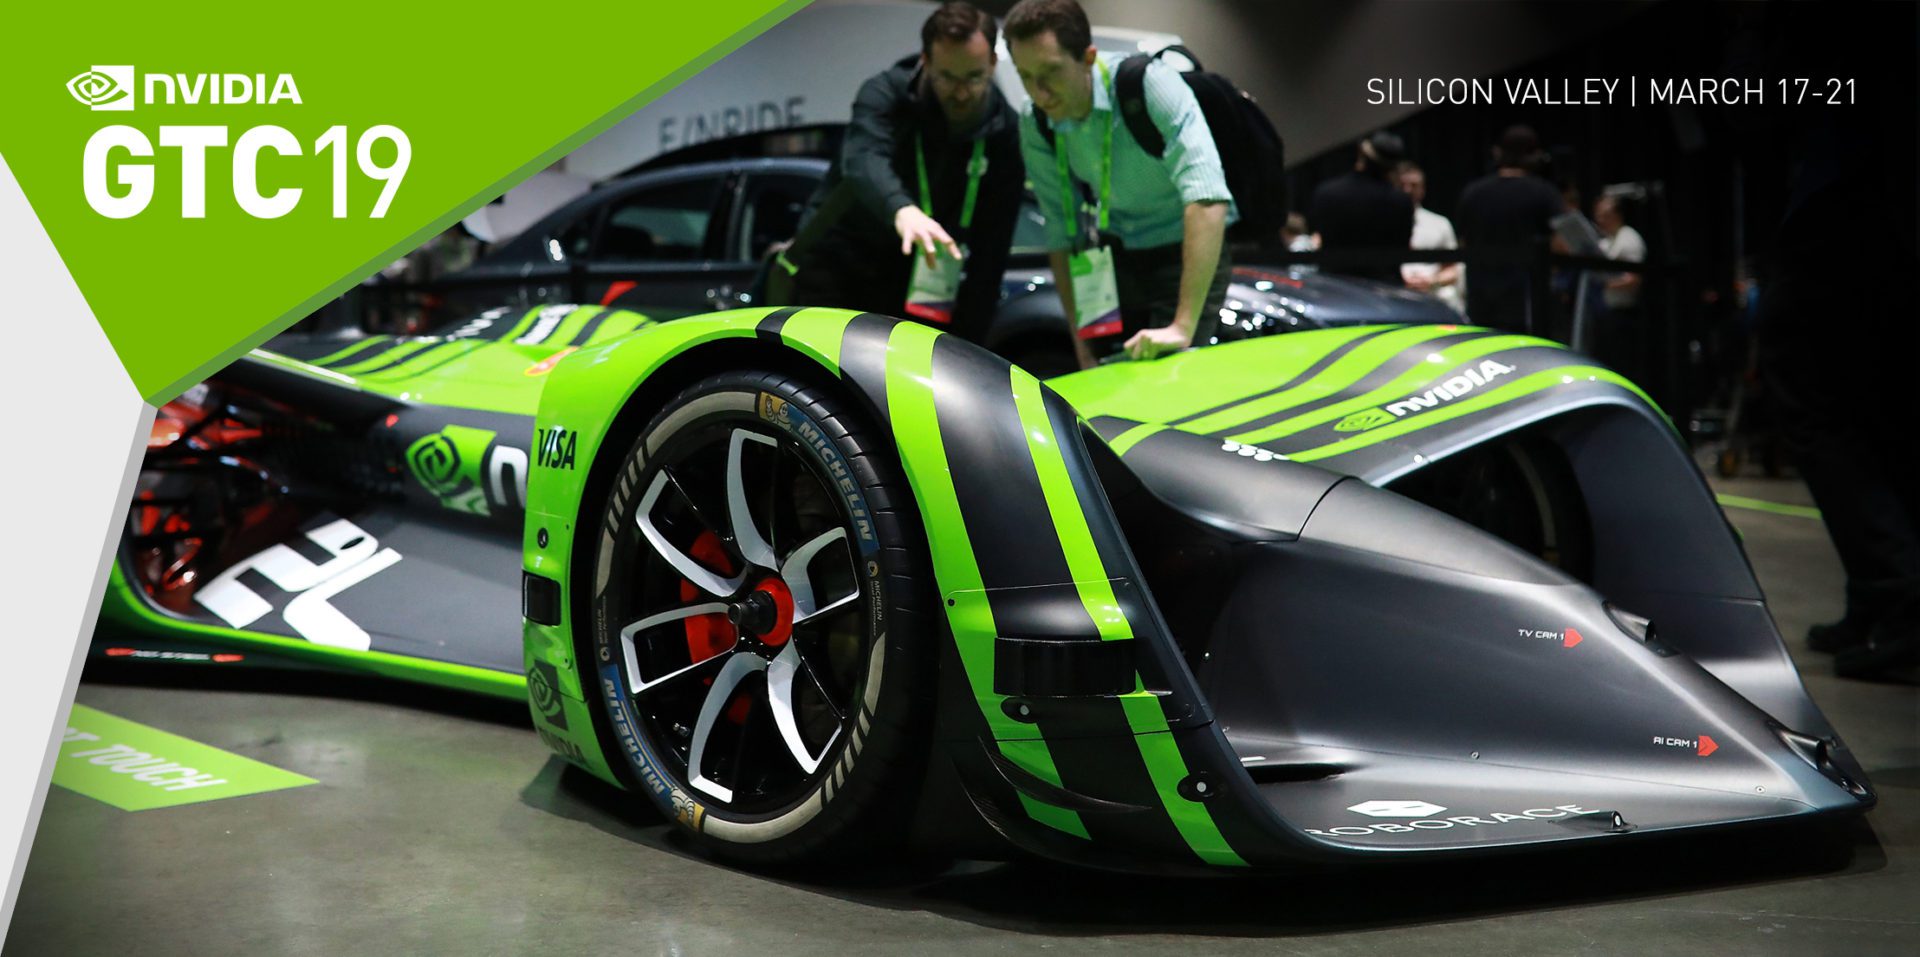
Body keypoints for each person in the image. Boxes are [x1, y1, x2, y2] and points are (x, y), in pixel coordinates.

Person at [774, 2, 1023, 345]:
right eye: (947, 78)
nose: (962, 93)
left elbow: (990, 256)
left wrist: (969, 346)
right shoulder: (883, 94)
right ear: (926, 61)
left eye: (974, 77)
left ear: (992, 64)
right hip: (837, 269)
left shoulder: (1006, 134)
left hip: (921, 285)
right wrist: (902, 209)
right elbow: (863, 160)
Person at [1005, 0, 1237, 366]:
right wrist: (1082, 344)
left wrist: (1182, 326)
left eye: (1050, 72)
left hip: (1185, 246)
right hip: (1114, 253)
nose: (1039, 92)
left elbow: (1206, 197)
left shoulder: (1149, 84)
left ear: (1087, 57)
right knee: (1111, 377)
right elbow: (1060, 233)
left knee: (1174, 373)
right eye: (1025, 76)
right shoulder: (1035, 120)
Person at [1454, 125, 1562, 332]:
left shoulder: (1472, 192)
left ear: (1498, 152)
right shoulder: (1544, 193)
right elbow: (1561, 244)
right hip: (1526, 302)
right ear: (1535, 155)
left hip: (1479, 298)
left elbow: (1463, 242)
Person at [1306, 132, 1413, 285]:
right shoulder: (1401, 201)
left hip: (1335, 284)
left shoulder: (1327, 193)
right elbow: (1402, 248)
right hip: (1384, 286)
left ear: (1362, 154)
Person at [1397, 161, 1463, 312]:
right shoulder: (1380, 223)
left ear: (1422, 189)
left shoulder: (1439, 223)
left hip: (1434, 299)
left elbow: (1453, 269)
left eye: (1413, 185)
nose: (1407, 190)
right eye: (1402, 185)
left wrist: (1431, 281)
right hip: (1394, 297)